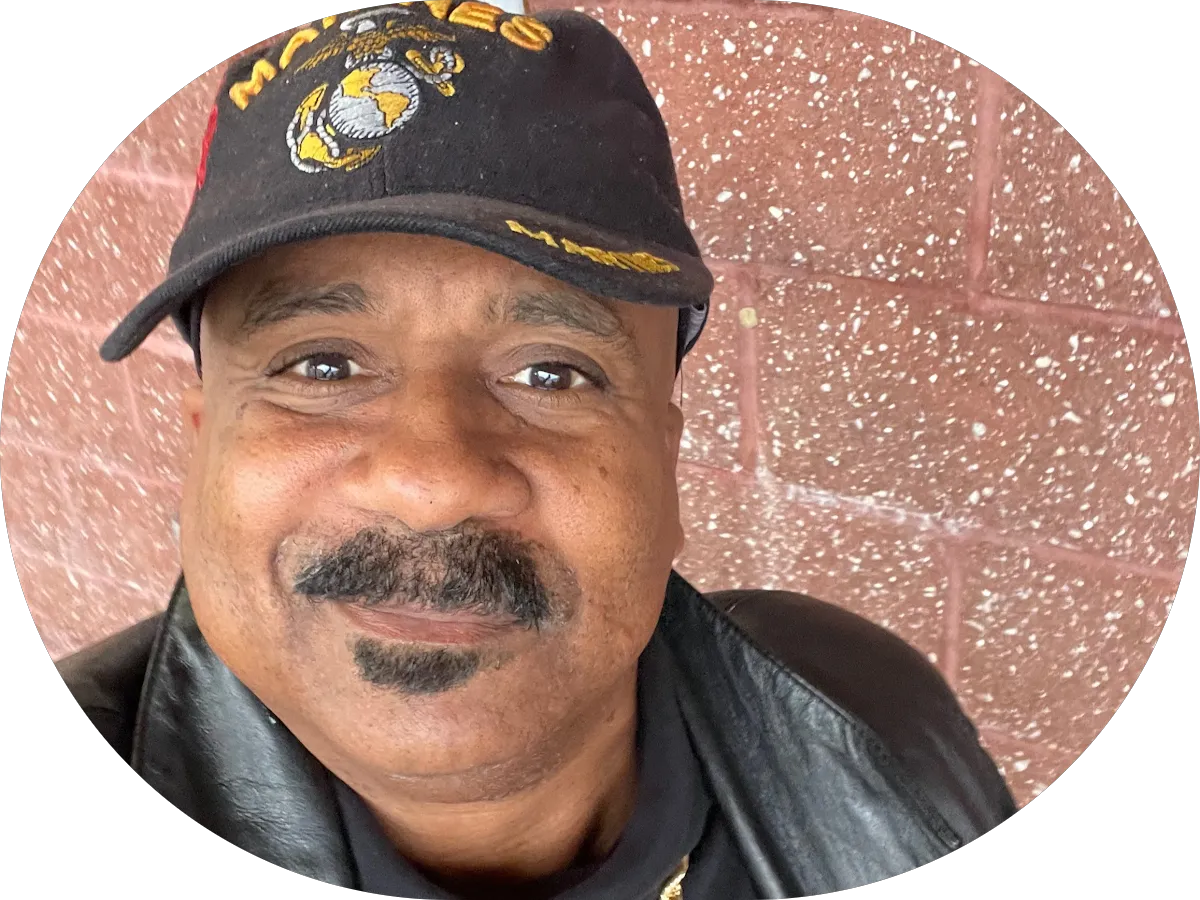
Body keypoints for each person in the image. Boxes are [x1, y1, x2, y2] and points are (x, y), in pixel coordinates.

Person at [54, 4, 1016, 898]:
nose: (431, 482)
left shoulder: (875, 719)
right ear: (203, 445)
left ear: (663, 462)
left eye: (553, 373)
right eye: (321, 366)